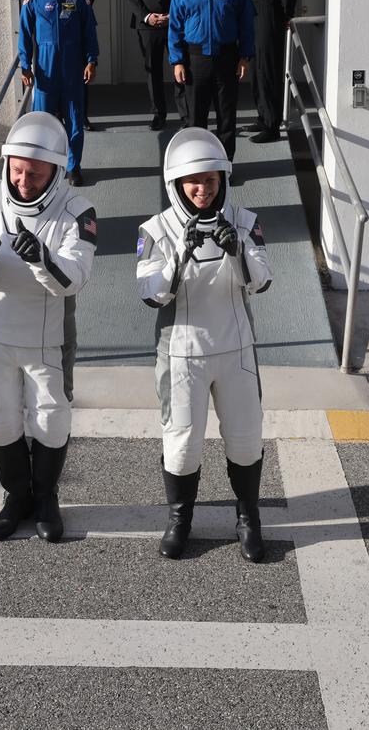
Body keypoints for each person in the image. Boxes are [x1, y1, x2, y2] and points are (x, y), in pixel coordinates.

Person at [0, 111, 97, 543]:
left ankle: (46, 496)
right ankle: (16, 497)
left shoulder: (77, 210)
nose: (24, 181)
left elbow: (75, 277)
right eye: (17, 170)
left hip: (47, 339)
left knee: (51, 419)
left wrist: (41, 259)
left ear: (56, 170)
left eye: (35, 173)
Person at [136, 127, 273, 562]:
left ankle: (249, 518)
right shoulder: (155, 230)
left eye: (211, 180)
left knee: (246, 440)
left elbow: (263, 281)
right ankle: (180, 520)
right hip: (181, 355)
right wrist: (180, 252)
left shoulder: (246, 221)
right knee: (182, 442)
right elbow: (151, 293)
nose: (202, 189)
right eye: (193, 181)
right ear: (175, 183)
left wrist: (239, 251)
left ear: (222, 181)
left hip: (236, 350)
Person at [168, 0, 255, 164]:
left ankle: (225, 167)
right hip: (195, 62)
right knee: (196, 120)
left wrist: (245, 57)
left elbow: (246, 24)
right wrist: (177, 61)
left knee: (227, 118)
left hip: (227, 58)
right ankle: (199, 165)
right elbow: (174, 28)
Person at [19, 0, 99, 187]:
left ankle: (74, 167)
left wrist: (92, 61)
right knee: (43, 122)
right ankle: (43, 168)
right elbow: (24, 35)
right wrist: (25, 66)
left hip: (73, 71)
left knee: (74, 122)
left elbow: (89, 33)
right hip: (45, 71)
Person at [32, 0, 100, 134]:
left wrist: (77, 6)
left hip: (78, 22)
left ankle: (81, 115)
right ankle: (57, 116)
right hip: (52, 26)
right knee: (52, 75)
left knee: (82, 70)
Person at [124, 0, 192, 131]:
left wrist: (175, 14)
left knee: (181, 67)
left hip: (176, 23)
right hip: (148, 26)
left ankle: (185, 116)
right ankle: (158, 115)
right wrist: (148, 16)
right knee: (153, 71)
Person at [247, 0, 296, 144]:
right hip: (256, 22)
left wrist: (286, 16)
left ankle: (272, 125)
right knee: (257, 72)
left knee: (268, 73)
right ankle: (262, 116)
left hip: (270, 22)